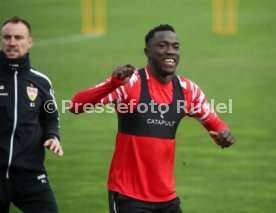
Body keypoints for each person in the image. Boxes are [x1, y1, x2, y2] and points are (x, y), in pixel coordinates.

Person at [69, 24, 235, 213]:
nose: (170, 52)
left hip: (167, 199)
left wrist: (223, 135)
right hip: (128, 197)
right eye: (162, 46)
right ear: (148, 52)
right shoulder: (129, 82)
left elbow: (216, 125)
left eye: (175, 46)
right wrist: (112, 84)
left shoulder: (188, 90)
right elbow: (75, 106)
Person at [0, 16, 64, 213]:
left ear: (30, 42)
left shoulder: (41, 82)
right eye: (7, 37)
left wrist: (53, 137)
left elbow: (51, 117)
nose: (12, 43)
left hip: (30, 174)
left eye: (18, 38)